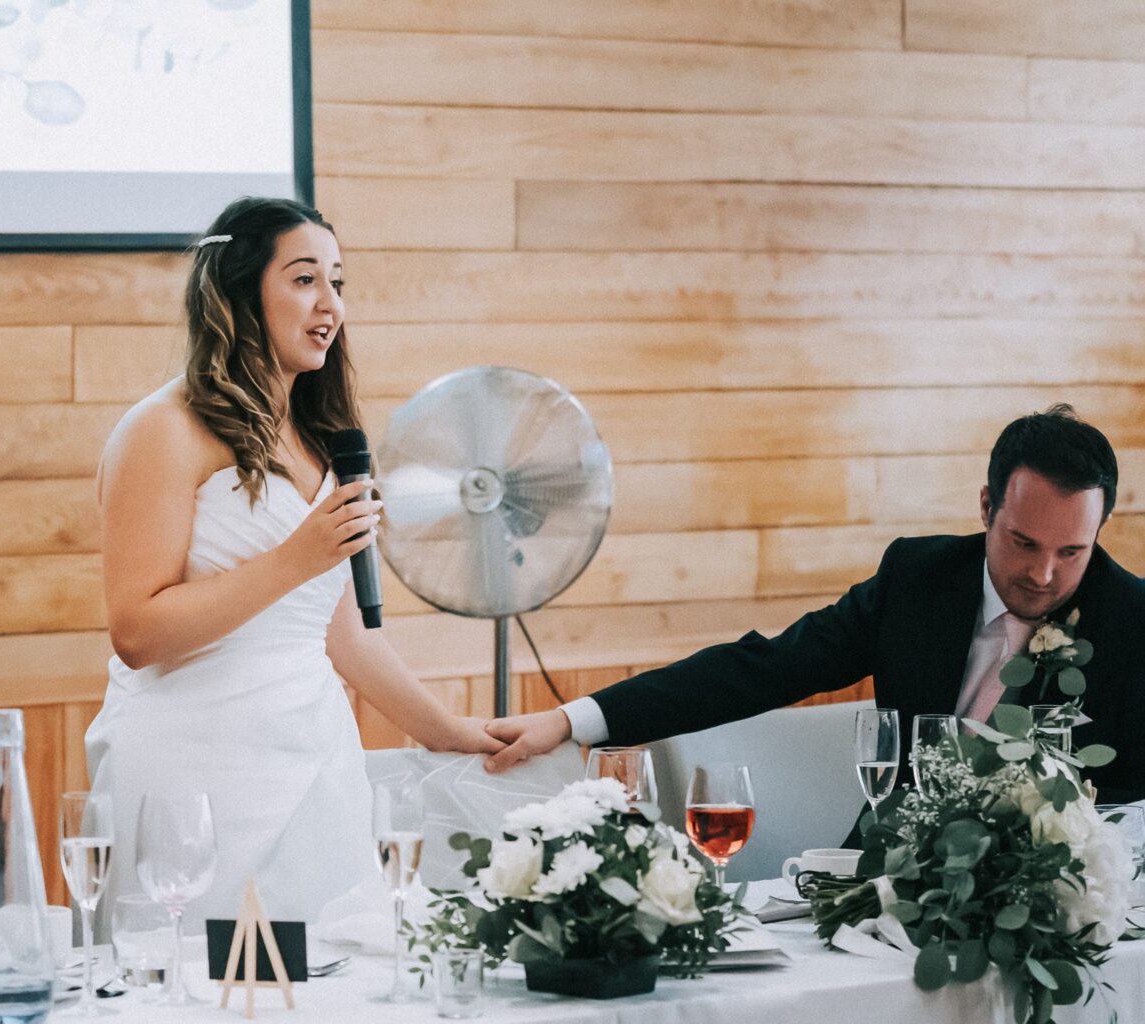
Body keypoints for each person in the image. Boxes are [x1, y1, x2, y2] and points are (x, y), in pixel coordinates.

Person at [85, 196, 503, 924]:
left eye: (338, 283)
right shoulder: (163, 429)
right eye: (306, 279)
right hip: (194, 771)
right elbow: (137, 631)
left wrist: (450, 732)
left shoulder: (322, 440)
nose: (330, 305)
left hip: (311, 754)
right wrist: (294, 559)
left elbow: (343, 635)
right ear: (242, 290)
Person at [484, 405, 1145, 806]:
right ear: (985, 508)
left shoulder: (1132, 621)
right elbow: (764, 668)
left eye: (1072, 552)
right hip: (886, 886)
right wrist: (576, 720)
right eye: (1022, 542)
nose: (1042, 573)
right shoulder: (917, 579)